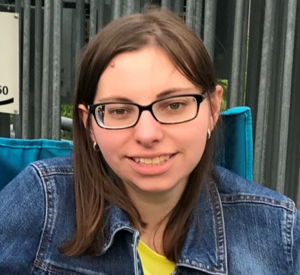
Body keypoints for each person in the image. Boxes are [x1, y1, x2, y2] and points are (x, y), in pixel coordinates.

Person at [0, 8, 299, 275]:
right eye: (119, 110)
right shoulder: (40, 202)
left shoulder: (277, 231)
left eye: (173, 105)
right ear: (88, 123)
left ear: (212, 108)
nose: (147, 134)